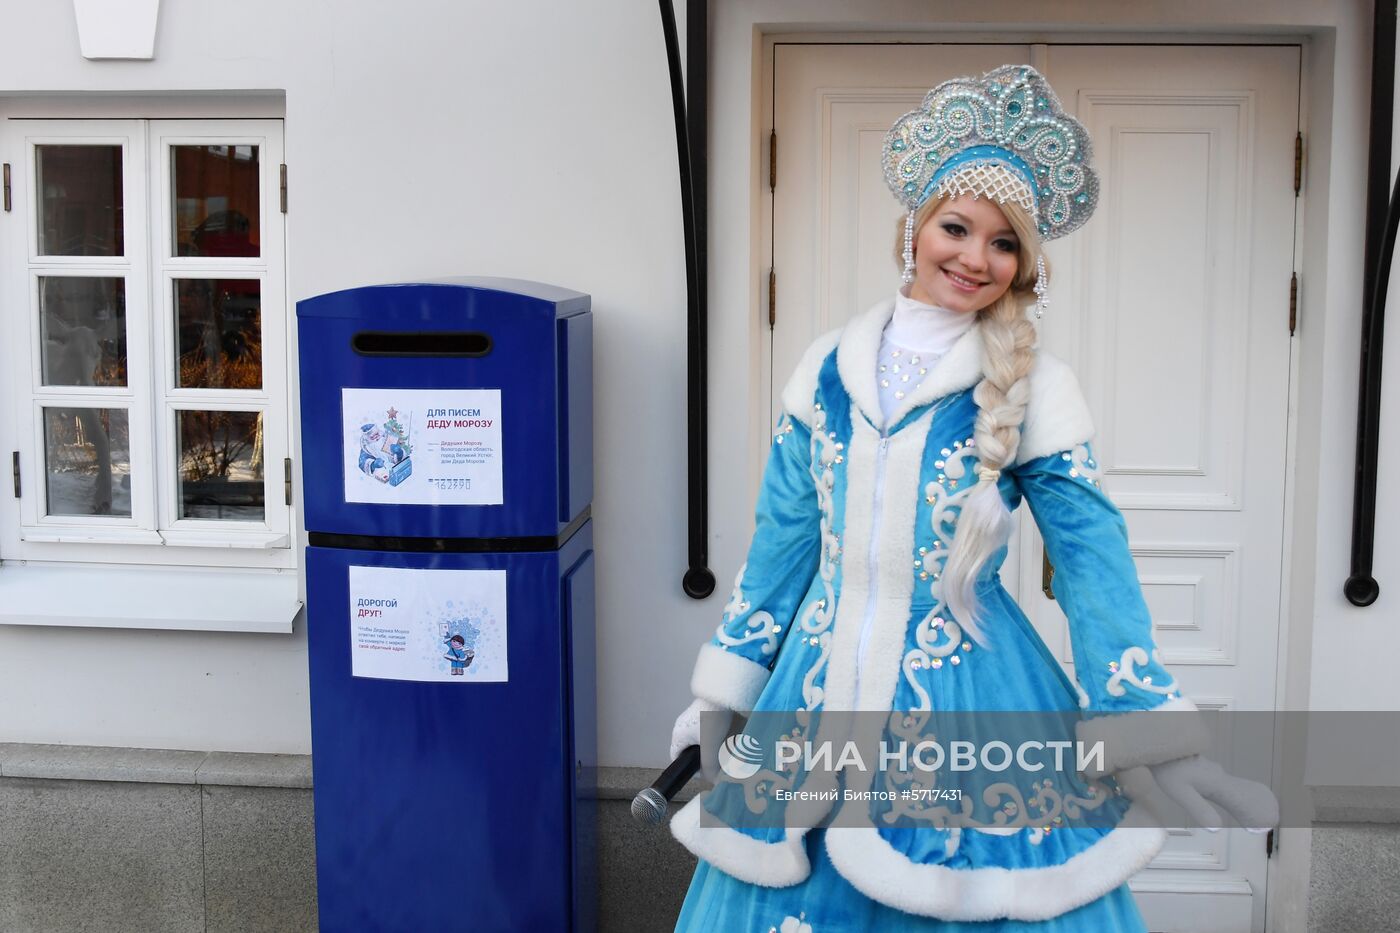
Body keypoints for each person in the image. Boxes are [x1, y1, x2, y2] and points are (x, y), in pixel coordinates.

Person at [667, 65, 1277, 931]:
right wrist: (725, 689)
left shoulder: (1041, 387)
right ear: (913, 228)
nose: (975, 258)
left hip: (971, 694)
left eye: (1004, 244)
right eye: (957, 227)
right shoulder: (823, 370)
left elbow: (1094, 555)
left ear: (1025, 262)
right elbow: (781, 547)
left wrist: (1144, 722)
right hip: (811, 689)